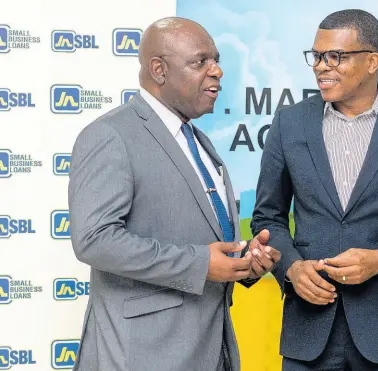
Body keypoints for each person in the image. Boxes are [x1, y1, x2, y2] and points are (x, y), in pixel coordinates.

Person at [68, 17, 280, 371]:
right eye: (201, 62)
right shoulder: (110, 135)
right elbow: (93, 239)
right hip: (144, 353)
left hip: (212, 347)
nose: (217, 72)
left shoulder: (199, 141)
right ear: (159, 70)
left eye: (216, 60)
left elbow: (194, 236)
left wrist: (243, 261)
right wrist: (200, 264)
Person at [252, 8, 378, 371]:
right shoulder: (289, 122)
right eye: (316, 56)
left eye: (335, 57)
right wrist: (292, 269)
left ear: (372, 61)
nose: (321, 67)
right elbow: (268, 217)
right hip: (307, 332)